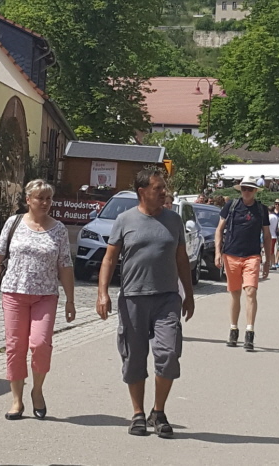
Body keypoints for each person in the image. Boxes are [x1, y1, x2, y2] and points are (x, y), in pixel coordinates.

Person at [96, 169, 195, 437]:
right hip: (133, 298)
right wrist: (102, 293)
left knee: (168, 354)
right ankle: (138, 413)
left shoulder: (173, 220)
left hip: (167, 298)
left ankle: (158, 412)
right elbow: (109, 258)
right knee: (134, 357)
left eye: (164, 187)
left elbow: (182, 259)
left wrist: (188, 294)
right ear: (142, 192)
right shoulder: (124, 220)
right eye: (158, 188)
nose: (164, 192)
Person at [0, 179, 75, 421]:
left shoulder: (59, 229)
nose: (45, 202)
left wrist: (70, 300)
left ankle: (37, 390)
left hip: (45, 295)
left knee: (40, 344)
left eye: (48, 198)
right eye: (40, 198)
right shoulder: (13, 223)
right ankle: (16, 400)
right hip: (13, 293)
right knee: (15, 346)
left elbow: (65, 265)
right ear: (28, 200)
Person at [215, 176, 271, 351]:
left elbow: (267, 235)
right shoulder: (231, 206)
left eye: (250, 189)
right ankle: (233, 329)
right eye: (244, 188)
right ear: (241, 190)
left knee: (251, 291)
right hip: (231, 255)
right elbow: (219, 229)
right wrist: (217, 252)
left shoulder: (261, 210)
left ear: (255, 191)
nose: (247, 192)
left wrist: (268, 260)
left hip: (252, 256)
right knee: (235, 293)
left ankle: (249, 331)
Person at [267, 206, 279, 270]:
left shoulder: (268, 217)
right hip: (274, 235)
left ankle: (271, 264)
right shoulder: (276, 217)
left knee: (269, 251)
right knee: (272, 250)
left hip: (269, 235)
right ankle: (272, 263)